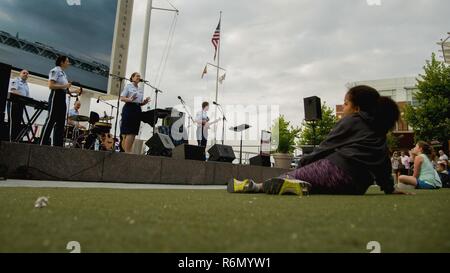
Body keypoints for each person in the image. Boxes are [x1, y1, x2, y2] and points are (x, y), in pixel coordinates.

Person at [228, 85, 410, 195]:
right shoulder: (378, 131)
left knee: (286, 178)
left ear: (357, 108)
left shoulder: (353, 121)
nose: (344, 108)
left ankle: (255, 186)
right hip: (356, 187)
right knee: (316, 183)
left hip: (338, 170)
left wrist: (304, 163)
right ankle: (299, 185)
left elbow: (326, 146)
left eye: (346, 104)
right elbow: (382, 163)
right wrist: (389, 188)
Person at [40, 56, 81, 147]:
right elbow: (51, 85)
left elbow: (64, 89)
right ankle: (42, 143)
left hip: (62, 97)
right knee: (51, 120)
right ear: (62, 62)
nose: (69, 63)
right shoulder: (55, 70)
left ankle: (57, 145)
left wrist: (73, 91)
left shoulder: (63, 74)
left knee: (61, 122)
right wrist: (65, 85)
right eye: (67, 61)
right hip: (56, 96)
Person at [120, 72, 151, 153]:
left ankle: (128, 151)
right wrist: (129, 99)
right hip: (129, 108)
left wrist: (144, 102)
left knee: (134, 132)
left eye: (139, 76)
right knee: (129, 131)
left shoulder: (140, 89)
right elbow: (122, 98)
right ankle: (127, 152)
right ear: (132, 77)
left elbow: (139, 102)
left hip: (137, 109)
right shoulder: (128, 86)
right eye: (137, 76)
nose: (138, 77)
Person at [8, 70, 30, 142]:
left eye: (27, 74)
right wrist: (22, 97)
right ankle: (11, 140)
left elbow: (27, 96)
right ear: (20, 74)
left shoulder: (26, 84)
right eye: (24, 73)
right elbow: (13, 90)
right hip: (14, 103)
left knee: (18, 122)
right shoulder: (15, 80)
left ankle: (16, 140)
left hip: (21, 104)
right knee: (13, 122)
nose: (25, 74)